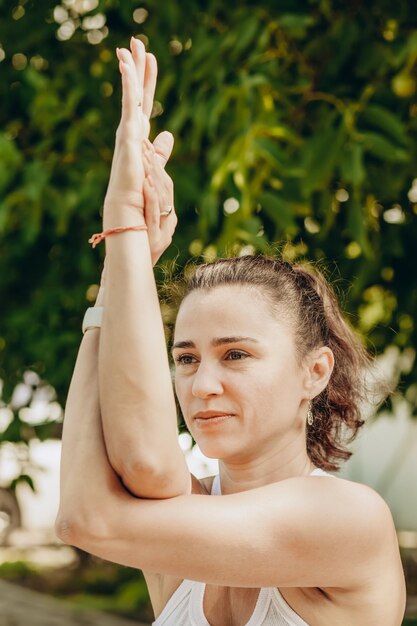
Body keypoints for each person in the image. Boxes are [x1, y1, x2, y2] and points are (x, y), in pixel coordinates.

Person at [55, 37, 406, 626]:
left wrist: (122, 224)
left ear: (313, 372)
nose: (202, 385)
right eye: (186, 358)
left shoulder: (347, 520)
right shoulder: (178, 515)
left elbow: (86, 517)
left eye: (236, 354)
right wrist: (123, 270)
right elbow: (134, 469)